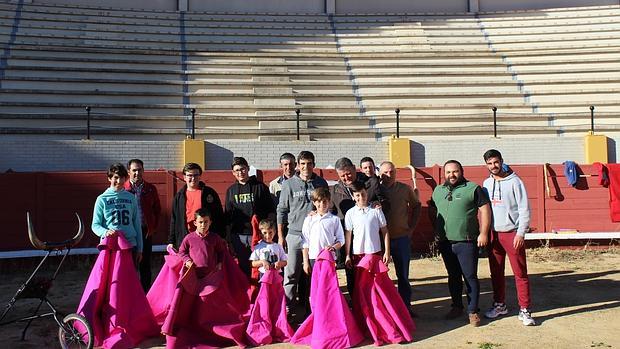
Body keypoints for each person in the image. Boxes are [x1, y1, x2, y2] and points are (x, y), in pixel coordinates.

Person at [430, 160, 491, 327]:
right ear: (444, 174)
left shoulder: (472, 188)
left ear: (461, 171)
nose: (452, 175)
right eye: (448, 172)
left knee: (470, 276)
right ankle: (456, 306)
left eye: (455, 171)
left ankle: (473, 311)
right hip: (446, 242)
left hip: (467, 241)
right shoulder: (438, 190)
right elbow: (432, 209)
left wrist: (484, 233)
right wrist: (436, 229)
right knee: (453, 276)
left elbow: (485, 209)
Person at [482, 149, 535, 326]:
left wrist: (521, 232)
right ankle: (500, 304)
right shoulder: (486, 184)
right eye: (489, 163)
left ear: (501, 161)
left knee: (520, 273)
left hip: (512, 233)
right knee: (496, 272)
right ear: (486, 165)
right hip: (494, 234)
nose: (493, 166)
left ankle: (525, 309)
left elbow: (524, 209)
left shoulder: (515, 182)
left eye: (496, 162)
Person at [277, 150, 328, 308]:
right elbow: (282, 210)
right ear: (298, 165)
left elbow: (327, 206)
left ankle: (310, 308)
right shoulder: (288, 184)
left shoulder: (321, 183)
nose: (306, 167)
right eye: (303, 164)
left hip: (314, 236)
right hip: (294, 234)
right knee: (291, 273)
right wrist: (280, 236)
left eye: (309, 163)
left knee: (311, 274)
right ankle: (289, 308)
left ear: (314, 164)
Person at [330, 157, 383, 295]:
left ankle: (373, 303)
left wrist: (378, 202)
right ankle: (356, 303)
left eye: (348, 173)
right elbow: (331, 212)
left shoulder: (369, 182)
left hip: (369, 238)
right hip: (348, 237)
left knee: (372, 273)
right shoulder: (335, 190)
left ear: (354, 168)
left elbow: (383, 199)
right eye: (342, 175)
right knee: (351, 272)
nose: (346, 177)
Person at [379, 161, 421, 314]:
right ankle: (384, 310)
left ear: (396, 173)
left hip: (401, 238)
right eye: (385, 173)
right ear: (379, 174)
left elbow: (416, 206)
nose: (389, 175)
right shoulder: (375, 190)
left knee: (403, 276)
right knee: (381, 277)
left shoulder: (404, 189)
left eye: (391, 172)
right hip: (380, 242)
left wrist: (412, 228)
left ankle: (405, 308)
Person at [225, 156, 276, 277]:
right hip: (239, 236)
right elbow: (227, 216)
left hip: (259, 235)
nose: (240, 172)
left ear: (248, 169)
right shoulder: (231, 191)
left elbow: (271, 211)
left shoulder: (260, 187)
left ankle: (260, 294)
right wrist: (229, 239)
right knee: (243, 267)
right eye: (237, 170)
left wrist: (267, 232)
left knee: (262, 267)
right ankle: (246, 294)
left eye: (242, 169)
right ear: (233, 173)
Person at [92, 163, 142, 265]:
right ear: (109, 178)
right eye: (116, 177)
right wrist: (105, 232)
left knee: (129, 279)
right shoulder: (102, 199)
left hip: (130, 245)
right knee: (112, 280)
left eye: (122, 178)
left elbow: (137, 224)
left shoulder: (131, 198)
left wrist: (140, 248)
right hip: (111, 245)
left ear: (125, 179)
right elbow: (95, 225)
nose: (119, 181)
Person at [124, 159, 161, 292]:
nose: (137, 173)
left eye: (139, 170)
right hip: (128, 232)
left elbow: (157, 210)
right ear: (129, 172)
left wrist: (153, 228)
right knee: (128, 264)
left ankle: (145, 293)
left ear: (143, 171)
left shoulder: (150, 188)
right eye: (134, 170)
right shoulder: (123, 189)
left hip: (145, 231)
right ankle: (131, 292)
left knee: (145, 264)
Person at [168, 162, 224, 249]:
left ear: (200, 176)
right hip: (186, 238)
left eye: (196, 175)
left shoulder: (209, 193)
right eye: (190, 175)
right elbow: (174, 219)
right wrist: (171, 241)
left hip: (207, 239)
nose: (193, 178)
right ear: (184, 177)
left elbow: (219, 216)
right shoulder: (179, 196)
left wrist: (222, 237)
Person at [344, 181, 390, 274]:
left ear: (367, 193)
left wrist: (387, 252)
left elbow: (385, 231)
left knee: (377, 281)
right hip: (358, 253)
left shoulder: (376, 210)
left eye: (363, 194)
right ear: (353, 197)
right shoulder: (350, 213)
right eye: (357, 195)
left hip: (374, 251)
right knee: (362, 282)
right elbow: (348, 235)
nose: (361, 197)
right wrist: (347, 255)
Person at [301, 187, 344, 277]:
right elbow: (305, 242)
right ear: (314, 203)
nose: (322, 204)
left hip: (329, 257)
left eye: (324, 201)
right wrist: (305, 262)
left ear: (329, 202)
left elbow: (341, 239)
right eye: (319, 201)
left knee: (328, 283)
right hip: (314, 257)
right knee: (316, 284)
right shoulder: (309, 219)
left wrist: (333, 247)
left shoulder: (334, 219)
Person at [179, 208, 227, 277]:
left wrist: (219, 263)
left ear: (210, 222)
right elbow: (181, 252)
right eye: (200, 222)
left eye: (206, 222)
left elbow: (221, 251)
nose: (203, 225)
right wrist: (187, 260)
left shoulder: (215, 237)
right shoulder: (189, 238)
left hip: (211, 274)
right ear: (195, 223)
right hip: (194, 274)